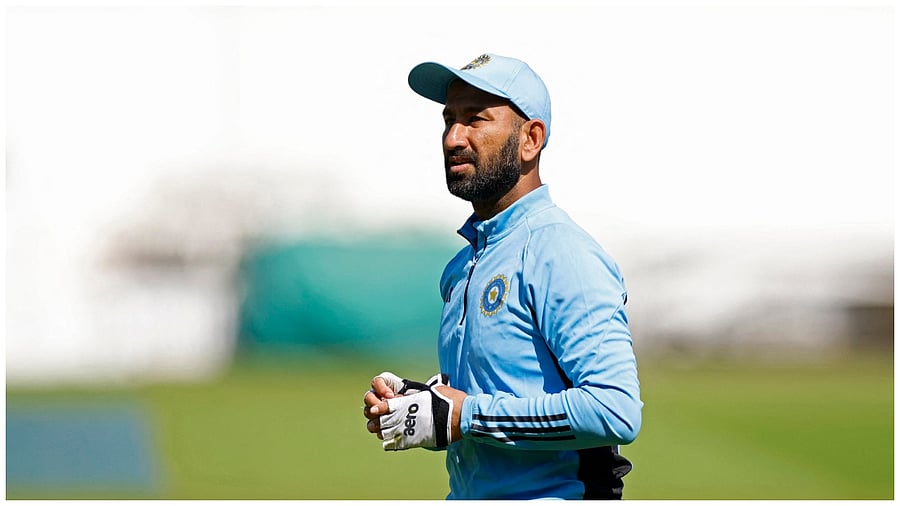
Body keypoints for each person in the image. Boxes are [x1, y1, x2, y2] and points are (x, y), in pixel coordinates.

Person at [362, 53, 642, 500]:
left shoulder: (561, 252)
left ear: (531, 139)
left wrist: (466, 416)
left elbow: (615, 410)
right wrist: (427, 404)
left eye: (476, 119)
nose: (454, 137)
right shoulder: (463, 265)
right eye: (449, 119)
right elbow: (498, 391)